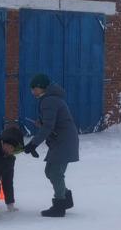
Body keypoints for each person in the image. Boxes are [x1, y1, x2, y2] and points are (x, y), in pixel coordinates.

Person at [23, 74, 79, 218]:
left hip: (63, 141)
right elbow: (52, 122)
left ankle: (59, 206)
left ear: (41, 87)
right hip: (63, 140)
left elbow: (48, 127)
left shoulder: (49, 101)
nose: (32, 92)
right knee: (51, 171)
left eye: (34, 89)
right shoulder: (51, 98)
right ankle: (65, 199)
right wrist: (42, 124)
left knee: (54, 172)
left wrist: (33, 144)